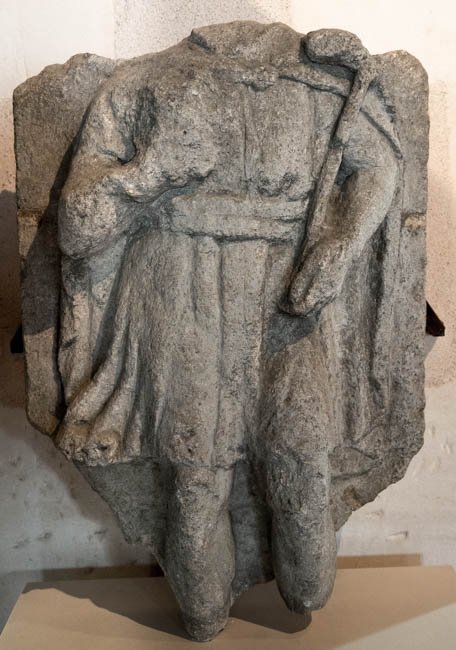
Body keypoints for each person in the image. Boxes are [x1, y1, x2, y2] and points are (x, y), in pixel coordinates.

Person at [55, 23, 405, 641]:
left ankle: (300, 593)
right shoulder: (139, 86)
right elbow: (77, 229)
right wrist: (147, 174)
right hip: (179, 287)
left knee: (302, 453)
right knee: (196, 472)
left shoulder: (318, 81)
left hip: (286, 293)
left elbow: (379, 166)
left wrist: (342, 246)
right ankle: (205, 612)